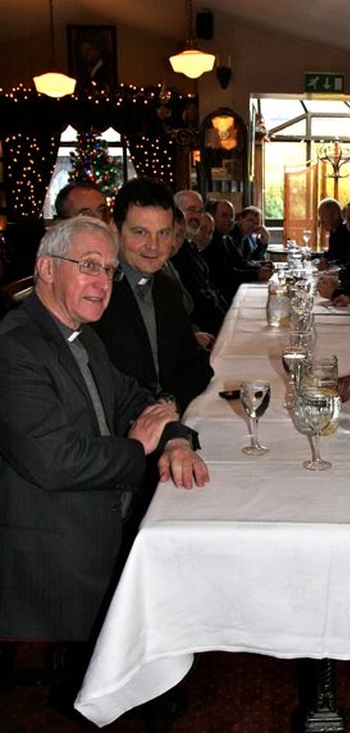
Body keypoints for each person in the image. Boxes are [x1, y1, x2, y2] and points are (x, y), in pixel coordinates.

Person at [0, 216, 208, 650]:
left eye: (110, 270)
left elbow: (133, 399)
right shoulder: (15, 347)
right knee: (182, 561)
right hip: (54, 543)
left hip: (96, 504)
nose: (104, 281)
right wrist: (137, 447)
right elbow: (58, 462)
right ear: (47, 269)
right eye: (88, 265)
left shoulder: (79, 332)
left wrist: (172, 437)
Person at [91, 177, 214, 415]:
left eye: (163, 233)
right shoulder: (96, 293)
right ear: (116, 231)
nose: (154, 246)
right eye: (140, 232)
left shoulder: (166, 288)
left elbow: (197, 363)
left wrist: (169, 401)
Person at [172, 191, 230, 335]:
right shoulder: (176, 253)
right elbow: (198, 304)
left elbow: (210, 291)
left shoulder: (190, 248)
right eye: (191, 210)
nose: (196, 216)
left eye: (200, 211)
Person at [202, 198, 272, 302]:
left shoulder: (226, 238)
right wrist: (257, 273)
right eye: (224, 215)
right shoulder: (210, 241)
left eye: (231, 216)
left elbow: (240, 262)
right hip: (223, 297)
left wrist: (260, 266)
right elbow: (226, 275)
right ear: (212, 217)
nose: (229, 220)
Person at [316, 197, 350, 269]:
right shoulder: (334, 231)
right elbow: (331, 254)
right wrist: (312, 256)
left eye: (324, 218)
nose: (322, 223)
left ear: (335, 215)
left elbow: (346, 259)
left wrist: (329, 263)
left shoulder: (347, 231)